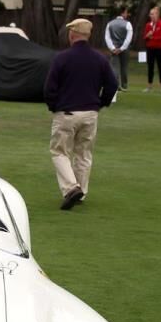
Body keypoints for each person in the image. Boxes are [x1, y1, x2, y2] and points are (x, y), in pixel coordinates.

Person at [43, 18, 118, 210]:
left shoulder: (62, 58)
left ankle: (71, 188)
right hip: (90, 113)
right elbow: (112, 84)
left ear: (72, 34)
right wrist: (101, 103)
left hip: (67, 112)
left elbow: (49, 88)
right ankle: (81, 191)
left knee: (59, 152)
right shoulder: (100, 59)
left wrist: (53, 105)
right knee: (83, 154)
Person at [104, 6, 133, 91]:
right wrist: (122, 48)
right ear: (123, 13)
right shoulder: (128, 24)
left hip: (114, 48)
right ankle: (124, 85)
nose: (127, 14)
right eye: (126, 12)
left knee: (114, 67)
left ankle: (116, 85)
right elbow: (128, 38)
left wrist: (112, 48)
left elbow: (107, 37)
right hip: (124, 49)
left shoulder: (110, 23)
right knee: (124, 67)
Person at [142, 5, 161, 91]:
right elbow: (145, 38)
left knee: (160, 67)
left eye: (152, 14)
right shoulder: (148, 25)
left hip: (160, 48)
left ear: (157, 15)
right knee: (150, 67)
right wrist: (148, 36)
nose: (151, 16)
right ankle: (149, 86)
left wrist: (151, 37)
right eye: (150, 14)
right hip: (150, 48)